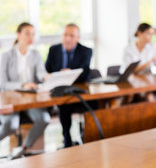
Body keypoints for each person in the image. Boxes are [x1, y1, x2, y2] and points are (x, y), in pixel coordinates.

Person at [0, 22, 50, 159]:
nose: (31, 37)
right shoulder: (6, 56)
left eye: (33, 34)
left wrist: (48, 77)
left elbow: (41, 74)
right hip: (10, 98)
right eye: (27, 33)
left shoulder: (35, 54)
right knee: (11, 124)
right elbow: (3, 84)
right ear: (18, 34)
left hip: (30, 99)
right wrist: (23, 85)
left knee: (44, 119)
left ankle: (23, 148)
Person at [45, 23, 94, 148]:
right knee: (64, 106)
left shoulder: (86, 51)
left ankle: (89, 136)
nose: (68, 38)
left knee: (95, 104)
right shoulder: (53, 50)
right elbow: (47, 71)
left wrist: (70, 73)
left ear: (78, 38)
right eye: (66, 35)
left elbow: (85, 73)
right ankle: (67, 140)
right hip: (60, 91)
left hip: (79, 90)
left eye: (71, 36)